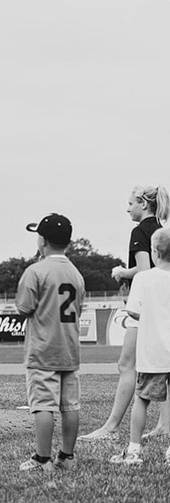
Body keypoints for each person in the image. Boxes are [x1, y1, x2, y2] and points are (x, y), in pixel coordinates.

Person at [79, 185, 170, 442]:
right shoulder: (162, 231)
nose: (127, 208)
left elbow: (142, 269)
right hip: (164, 308)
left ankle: (110, 427)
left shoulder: (139, 231)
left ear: (143, 203)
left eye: (130, 203)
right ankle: (164, 425)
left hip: (144, 308)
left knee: (126, 365)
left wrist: (121, 271)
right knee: (166, 366)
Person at [17, 213, 86, 472]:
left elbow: (24, 308)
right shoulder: (76, 273)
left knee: (43, 405)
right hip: (69, 348)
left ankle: (42, 459)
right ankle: (67, 456)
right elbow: (78, 307)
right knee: (70, 405)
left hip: (43, 348)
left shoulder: (36, 270)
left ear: (42, 241)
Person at [110, 227, 170, 465]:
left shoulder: (144, 279)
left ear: (154, 252)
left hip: (151, 352)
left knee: (142, 400)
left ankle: (134, 450)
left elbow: (133, 311)